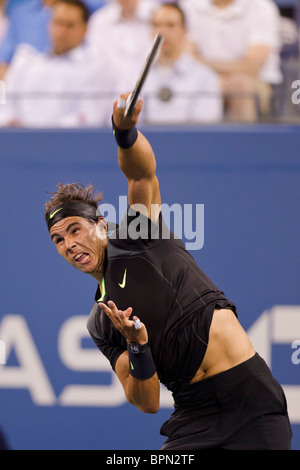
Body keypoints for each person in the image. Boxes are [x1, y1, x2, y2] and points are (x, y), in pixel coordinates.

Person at [44, 93, 292, 450]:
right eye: (57, 239)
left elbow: (141, 174)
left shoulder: (137, 238)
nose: (68, 244)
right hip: (193, 416)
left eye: (74, 229)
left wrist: (125, 133)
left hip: (250, 398)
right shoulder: (101, 322)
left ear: (100, 226)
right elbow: (146, 402)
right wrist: (137, 344)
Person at [0, 0, 116, 128]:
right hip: (18, 141)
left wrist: (39, 133)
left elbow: (89, 117)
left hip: (69, 144)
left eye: (70, 25)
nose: (62, 31)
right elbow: (3, 102)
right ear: (49, 24)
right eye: (58, 23)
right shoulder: (25, 62)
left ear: (84, 29)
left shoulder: (97, 68)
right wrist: (11, 121)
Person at [180, 0, 283, 122]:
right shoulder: (189, 6)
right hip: (202, 78)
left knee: (240, 85)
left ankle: (241, 140)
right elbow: (187, 57)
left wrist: (212, 75)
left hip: (257, 81)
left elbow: (252, 66)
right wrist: (212, 80)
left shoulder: (261, 7)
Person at [142, 2, 222, 124]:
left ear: (184, 31)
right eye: (157, 25)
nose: (162, 32)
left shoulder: (205, 77)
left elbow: (204, 128)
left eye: (171, 25)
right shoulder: (134, 74)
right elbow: (127, 125)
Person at [86, 0, 159, 91]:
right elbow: (98, 62)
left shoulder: (158, 14)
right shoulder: (99, 20)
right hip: (110, 93)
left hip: (153, 90)